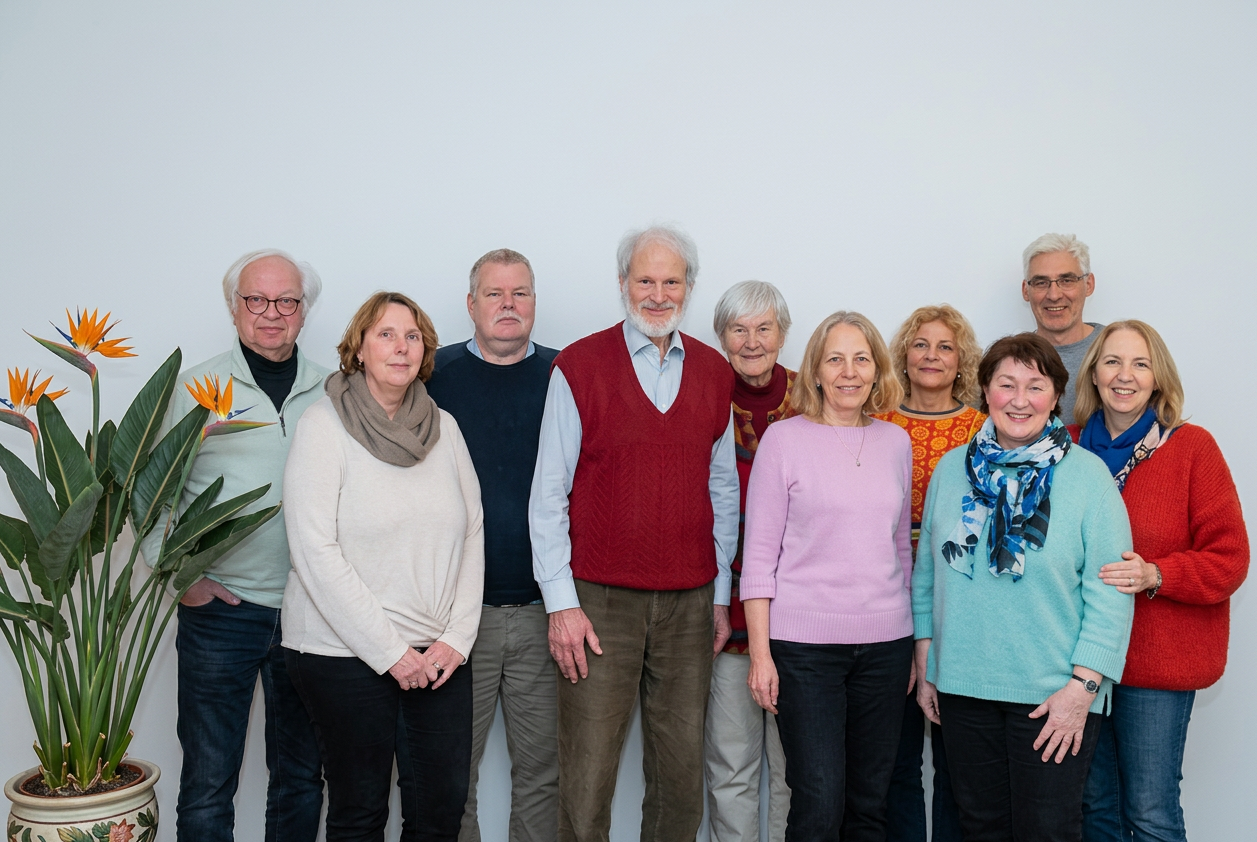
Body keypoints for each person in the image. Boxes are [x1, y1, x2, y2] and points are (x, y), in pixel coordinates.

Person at [528, 225, 739, 842]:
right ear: (623, 283)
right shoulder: (580, 365)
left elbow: (722, 491)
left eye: (670, 281)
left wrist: (721, 595)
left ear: (689, 288)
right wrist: (561, 605)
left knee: (679, 782)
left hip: (691, 601)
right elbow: (548, 494)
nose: (657, 294)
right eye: (644, 280)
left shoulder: (713, 372)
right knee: (587, 776)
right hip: (598, 605)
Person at [913, 332, 1134, 842]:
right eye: (1005, 383)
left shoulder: (1088, 477)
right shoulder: (952, 470)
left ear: (1056, 394)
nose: (1019, 399)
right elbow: (927, 573)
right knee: (979, 828)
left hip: (1054, 695)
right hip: (964, 686)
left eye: (1035, 386)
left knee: (1048, 831)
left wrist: (1084, 689)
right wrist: (926, 660)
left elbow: (1111, 590)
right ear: (984, 390)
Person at [139, 249, 327, 842]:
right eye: (257, 300)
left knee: (301, 778)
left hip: (313, 616)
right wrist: (182, 580)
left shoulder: (336, 389)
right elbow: (149, 497)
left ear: (304, 311)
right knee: (208, 782)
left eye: (287, 301)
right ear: (233, 307)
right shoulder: (196, 387)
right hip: (222, 615)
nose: (272, 313)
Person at [281, 292, 484, 841]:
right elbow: (313, 549)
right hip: (341, 653)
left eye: (412, 336)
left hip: (439, 655)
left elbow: (472, 533)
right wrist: (392, 652)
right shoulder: (323, 427)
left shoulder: (445, 429)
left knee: (440, 813)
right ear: (359, 349)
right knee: (358, 814)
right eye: (386, 335)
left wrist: (456, 639)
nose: (401, 347)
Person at [1071, 321, 1250, 842]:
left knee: (1149, 810)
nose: (1124, 376)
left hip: (1156, 664)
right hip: (1083, 662)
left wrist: (1157, 573)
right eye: (1112, 362)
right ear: (1094, 373)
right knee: (1091, 805)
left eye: (1140, 364)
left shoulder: (1192, 448)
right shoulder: (1068, 449)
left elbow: (1230, 558)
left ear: (1157, 379)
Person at [741, 310, 914, 842]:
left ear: (877, 369)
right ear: (814, 370)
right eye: (835, 358)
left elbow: (900, 551)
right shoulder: (784, 441)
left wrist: (911, 647)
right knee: (818, 801)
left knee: (870, 804)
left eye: (861, 359)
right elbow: (759, 557)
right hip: (804, 651)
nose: (849, 371)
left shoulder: (895, 443)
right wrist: (761, 654)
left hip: (886, 647)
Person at [424, 249, 560, 842]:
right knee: (451, 776)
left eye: (521, 293)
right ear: (471, 303)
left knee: (543, 775)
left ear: (534, 302)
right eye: (495, 294)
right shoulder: (432, 375)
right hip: (454, 616)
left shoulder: (566, 375)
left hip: (544, 613)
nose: (508, 305)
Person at [874, 304, 985, 842]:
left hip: (957, 604)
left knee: (956, 763)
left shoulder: (984, 430)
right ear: (904, 355)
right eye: (921, 344)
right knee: (892, 761)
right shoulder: (877, 423)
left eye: (945, 346)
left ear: (961, 358)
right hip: (886, 605)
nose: (932, 356)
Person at [705, 280, 795, 842]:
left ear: (783, 333)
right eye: (739, 330)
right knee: (731, 767)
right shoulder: (704, 399)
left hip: (800, 620)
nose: (752, 341)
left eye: (764, 328)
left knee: (796, 773)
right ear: (722, 338)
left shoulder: (815, 399)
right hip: (726, 615)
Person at [1021, 233, 1104, 424]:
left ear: (1088, 284)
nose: (1054, 295)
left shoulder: (1118, 348)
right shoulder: (1010, 359)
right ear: (1026, 291)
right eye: (1041, 283)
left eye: (1066, 280)